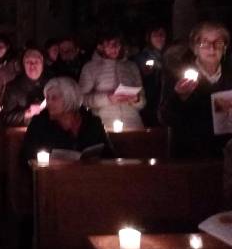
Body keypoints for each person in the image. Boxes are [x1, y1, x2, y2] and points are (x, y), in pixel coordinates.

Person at [160, 21, 232, 158]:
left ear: (225, 48)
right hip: (191, 153)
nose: (212, 48)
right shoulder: (176, 74)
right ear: (195, 48)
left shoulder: (230, 75)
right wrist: (180, 97)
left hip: (227, 153)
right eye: (205, 43)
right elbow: (164, 117)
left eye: (218, 43)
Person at [21, 77, 114, 165]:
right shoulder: (39, 123)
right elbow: (26, 157)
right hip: (52, 177)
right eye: (47, 98)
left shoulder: (93, 122)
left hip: (90, 177)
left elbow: (109, 155)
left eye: (54, 98)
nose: (49, 103)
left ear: (69, 98)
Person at [78, 30, 146, 130]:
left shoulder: (131, 67)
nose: (114, 48)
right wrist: (108, 98)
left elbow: (143, 100)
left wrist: (137, 99)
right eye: (110, 45)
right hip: (104, 123)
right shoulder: (90, 68)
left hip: (132, 123)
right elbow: (82, 98)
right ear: (100, 47)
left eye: (117, 45)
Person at [2, 49, 50, 127]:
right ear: (23, 65)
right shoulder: (13, 87)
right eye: (28, 62)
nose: (32, 65)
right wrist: (27, 113)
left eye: (36, 61)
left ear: (42, 63)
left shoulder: (52, 84)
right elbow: (5, 118)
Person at [132, 24, 168, 126]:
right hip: (149, 102)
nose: (159, 38)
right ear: (149, 38)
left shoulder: (169, 56)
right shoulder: (142, 57)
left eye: (162, 34)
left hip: (165, 100)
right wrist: (146, 73)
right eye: (155, 35)